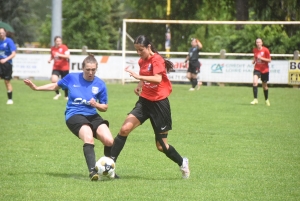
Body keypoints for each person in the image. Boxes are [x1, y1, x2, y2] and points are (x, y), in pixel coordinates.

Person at [110, 35, 190, 179]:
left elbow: (158, 79)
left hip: (159, 104)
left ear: (148, 47)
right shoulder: (142, 61)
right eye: (136, 50)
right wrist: (139, 85)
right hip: (144, 102)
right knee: (124, 129)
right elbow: (144, 74)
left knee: (161, 146)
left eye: (141, 50)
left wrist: (138, 78)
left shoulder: (157, 60)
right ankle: (110, 166)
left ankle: (182, 162)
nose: (139, 53)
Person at [24, 54, 115, 181]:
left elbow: (105, 107)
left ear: (96, 69)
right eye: (88, 69)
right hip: (74, 114)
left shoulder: (100, 84)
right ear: (82, 68)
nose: (90, 72)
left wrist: (96, 104)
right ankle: (92, 172)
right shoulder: (72, 77)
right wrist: (36, 88)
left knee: (109, 141)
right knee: (88, 136)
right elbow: (55, 85)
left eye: (93, 70)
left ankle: (109, 169)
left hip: (92, 115)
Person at [48, 36, 70, 100]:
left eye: (59, 41)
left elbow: (68, 56)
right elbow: (52, 56)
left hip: (64, 67)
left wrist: (60, 55)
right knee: (53, 80)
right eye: (57, 41)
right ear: (55, 41)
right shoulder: (52, 48)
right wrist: (50, 59)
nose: (58, 42)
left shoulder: (64, 47)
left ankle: (66, 95)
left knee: (65, 82)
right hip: (56, 67)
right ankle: (57, 93)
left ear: (61, 41)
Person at [251, 38, 271, 106]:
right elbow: (255, 57)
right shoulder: (255, 50)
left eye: (259, 42)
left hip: (265, 70)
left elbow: (269, 60)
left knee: (264, 86)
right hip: (257, 68)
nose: (258, 43)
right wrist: (254, 61)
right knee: (254, 82)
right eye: (257, 42)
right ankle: (255, 99)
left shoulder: (266, 50)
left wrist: (261, 58)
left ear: (262, 43)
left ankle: (266, 99)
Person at [0, 27, 17, 105]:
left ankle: (10, 99)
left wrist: (5, 59)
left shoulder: (9, 41)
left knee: (7, 81)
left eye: (2, 32)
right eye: (0, 33)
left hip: (7, 64)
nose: (1, 34)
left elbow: (13, 54)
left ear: (5, 33)